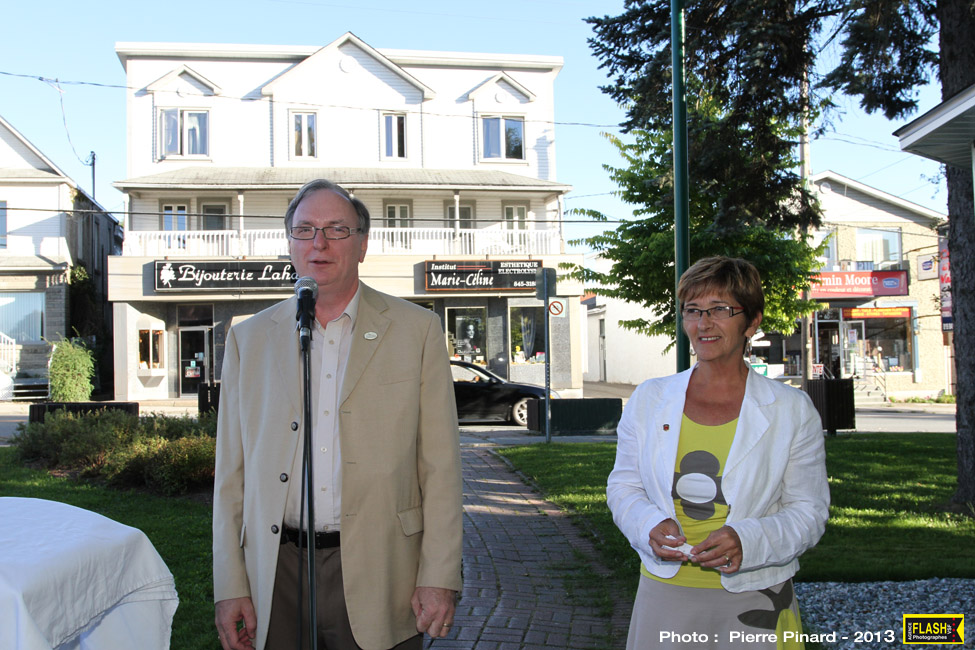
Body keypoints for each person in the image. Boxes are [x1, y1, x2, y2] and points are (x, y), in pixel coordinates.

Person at [213, 179, 463, 650]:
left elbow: (441, 467)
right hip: (276, 572)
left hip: (383, 568)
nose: (319, 243)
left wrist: (439, 575)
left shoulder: (419, 332)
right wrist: (230, 585)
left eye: (336, 230)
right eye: (304, 229)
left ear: (363, 244)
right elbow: (231, 474)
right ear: (289, 244)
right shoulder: (249, 340)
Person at [607, 256, 829, 649]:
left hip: (757, 595)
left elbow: (808, 512)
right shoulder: (650, 399)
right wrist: (647, 526)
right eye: (692, 310)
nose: (703, 323)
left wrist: (749, 540)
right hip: (665, 593)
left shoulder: (791, 410)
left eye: (720, 310)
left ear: (753, 321)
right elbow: (624, 486)